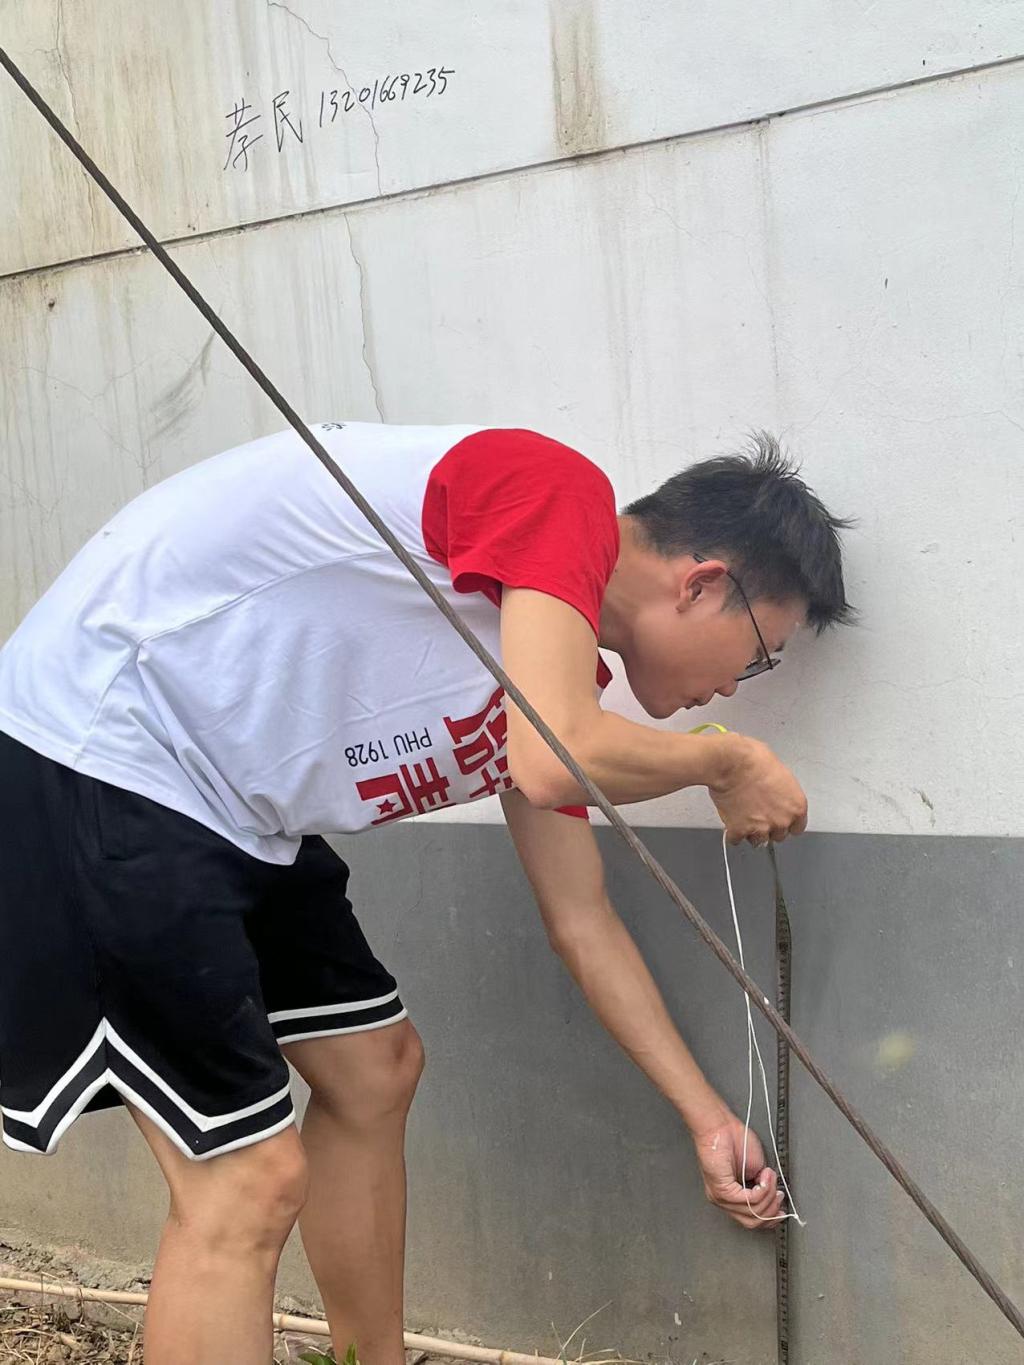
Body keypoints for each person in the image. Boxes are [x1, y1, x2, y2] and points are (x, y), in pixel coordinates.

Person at [0, 421, 852, 1364]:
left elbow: (581, 917)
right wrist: (726, 762)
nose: (735, 687)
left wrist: (707, 1119)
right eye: (758, 652)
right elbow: (556, 756)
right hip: (101, 749)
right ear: (701, 584)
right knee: (243, 1184)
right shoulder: (552, 491)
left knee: (376, 1068)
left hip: (229, 804)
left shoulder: (549, 671)